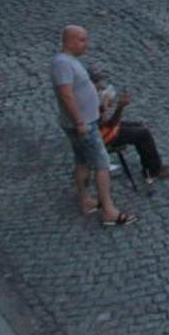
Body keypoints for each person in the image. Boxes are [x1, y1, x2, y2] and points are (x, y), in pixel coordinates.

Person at [50, 26, 132, 226]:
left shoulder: (69, 62)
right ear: (68, 41)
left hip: (85, 121)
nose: (85, 44)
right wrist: (80, 121)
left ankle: (86, 200)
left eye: (85, 39)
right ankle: (108, 210)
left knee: (82, 162)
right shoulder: (62, 64)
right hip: (84, 124)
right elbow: (66, 94)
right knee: (102, 165)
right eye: (81, 40)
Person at [89, 64, 169, 182]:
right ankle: (153, 171)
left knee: (140, 126)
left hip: (97, 130)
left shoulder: (87, 96)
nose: (102, 85)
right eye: (98, 82)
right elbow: (109, 124)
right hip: (101, 136)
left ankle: (150, 166)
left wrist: (105, 106)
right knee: (143, 134)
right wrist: (120, 107)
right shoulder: (92, 100)